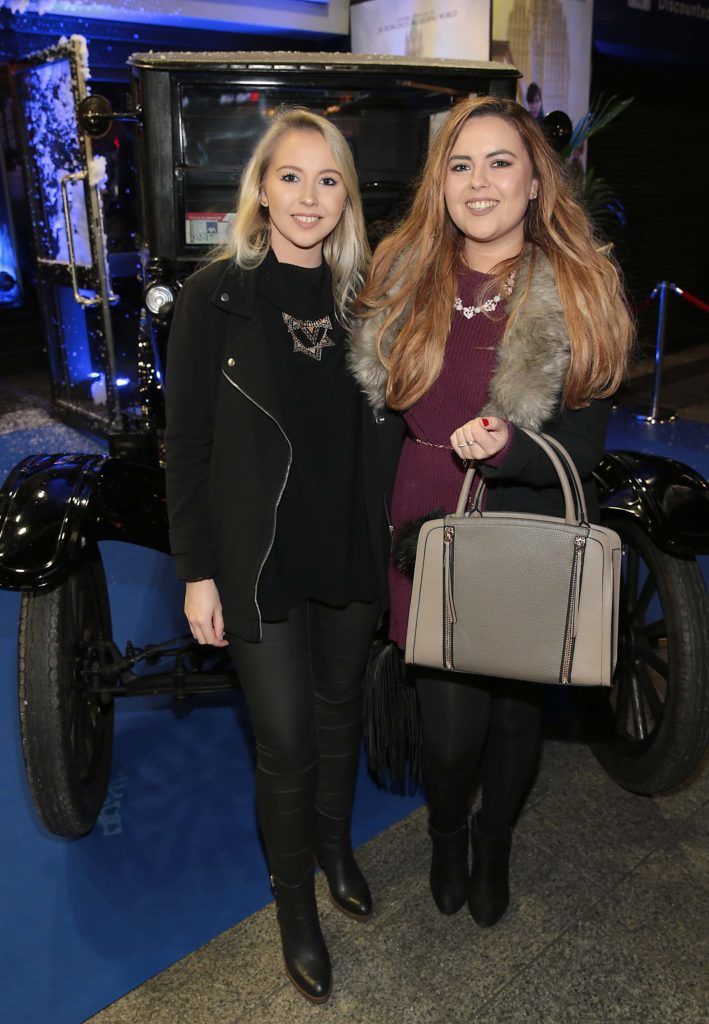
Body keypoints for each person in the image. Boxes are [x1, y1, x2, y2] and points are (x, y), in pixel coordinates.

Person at [350, 96, 633, 928]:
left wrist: (511, 447)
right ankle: (446, 833)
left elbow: (579, 448)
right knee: (446, 733)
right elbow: (370, 431)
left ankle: (495, 840)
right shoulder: (400, 279)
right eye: (460, 165)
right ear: (439, 184)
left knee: (513, 726)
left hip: (519, 530)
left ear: (535, 179)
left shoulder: (577, 291)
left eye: (499, 161)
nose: (479, 182)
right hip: (421, 527)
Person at [164, 108, 392, 1004]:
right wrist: (195, 571)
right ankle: (293, 902)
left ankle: (334, 845)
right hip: (256, 555)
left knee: (340, 711)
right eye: (290, 177)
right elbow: (184, 448)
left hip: (345, 541)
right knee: (287, 736)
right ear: (261, 188)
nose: (308, 197)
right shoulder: (213, 298)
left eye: (327, 179)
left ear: (345, 198)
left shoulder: (368, 300)